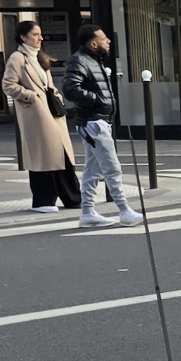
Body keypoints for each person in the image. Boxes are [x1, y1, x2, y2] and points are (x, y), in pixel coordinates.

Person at [63, 24, 142, 229]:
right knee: (111, 167)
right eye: (104, 38)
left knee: (93, 168)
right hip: (93, 122)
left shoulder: (93, 60)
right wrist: (97, 100)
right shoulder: (81, 60)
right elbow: (71, 89)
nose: (108, 41)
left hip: (97, 121)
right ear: (93, 42)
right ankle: (124, 210)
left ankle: (88, 212)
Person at [1, 20, 80, 214]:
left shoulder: (38, 57)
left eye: (40, 34)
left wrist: (55, 94)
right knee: (43, 158)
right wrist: (30, 96)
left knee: (60, 155)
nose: (40, 38)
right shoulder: (18, 58)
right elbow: (8, 85)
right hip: (35, 115)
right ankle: (44, 200)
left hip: (51, 112)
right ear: (23, 37)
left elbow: (48, 84)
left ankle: (72, 197)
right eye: (36, 34)